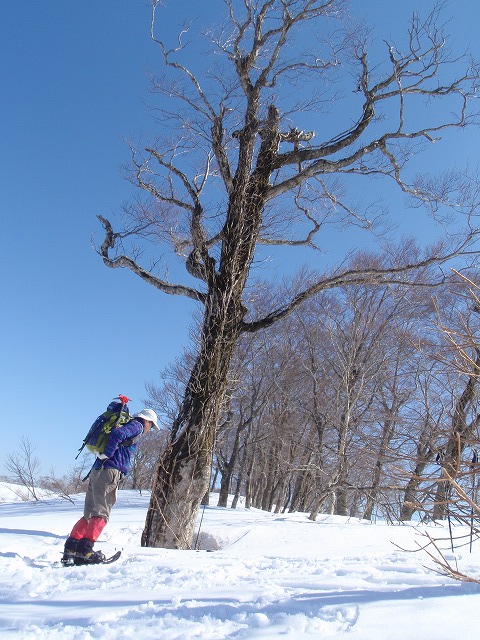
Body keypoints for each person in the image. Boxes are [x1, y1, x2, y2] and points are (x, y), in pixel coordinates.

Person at [62, 406, 159, 565]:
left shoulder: (127, 423)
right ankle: (85, 551)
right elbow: (118, 434)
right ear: (147, 420)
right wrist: (109, 453)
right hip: (110, 471)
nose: (150, 429)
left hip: (97, 470)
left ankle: (71, 549)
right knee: (101, 513)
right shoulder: (137, 426)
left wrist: (105, 455)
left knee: (89, 514)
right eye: (152, 426)